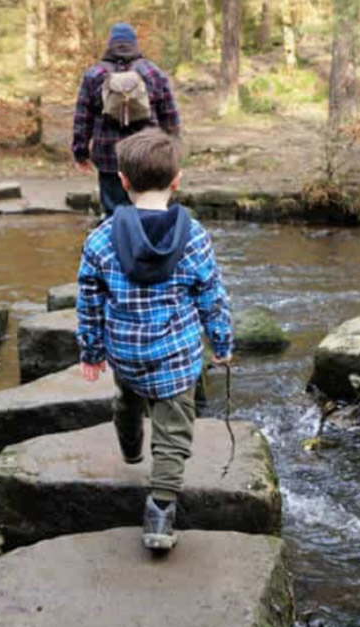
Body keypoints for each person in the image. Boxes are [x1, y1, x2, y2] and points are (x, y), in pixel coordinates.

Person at [75, 128, 233, 552]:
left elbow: (88, 302)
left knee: (126, 400)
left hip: (126, 354)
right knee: (174, 431)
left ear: (123, 181)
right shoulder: (195, 237)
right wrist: (221, 343)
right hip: (177, 357)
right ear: (177, 179)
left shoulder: (101, 240)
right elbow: (212, 297)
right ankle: (160, 514)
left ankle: (130, 448)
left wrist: (91, 351)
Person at [72, 22, 181, 217]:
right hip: (148, 154)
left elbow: (82, 118)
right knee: (149, 209)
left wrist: (80, 153)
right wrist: (173, 151)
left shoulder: (94, 74)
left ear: (110, 44)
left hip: (109, 157)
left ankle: (117, 245)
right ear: (134, 44)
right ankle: (148, 245)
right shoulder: (153, 72)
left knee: (114, 215)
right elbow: (170, 116)